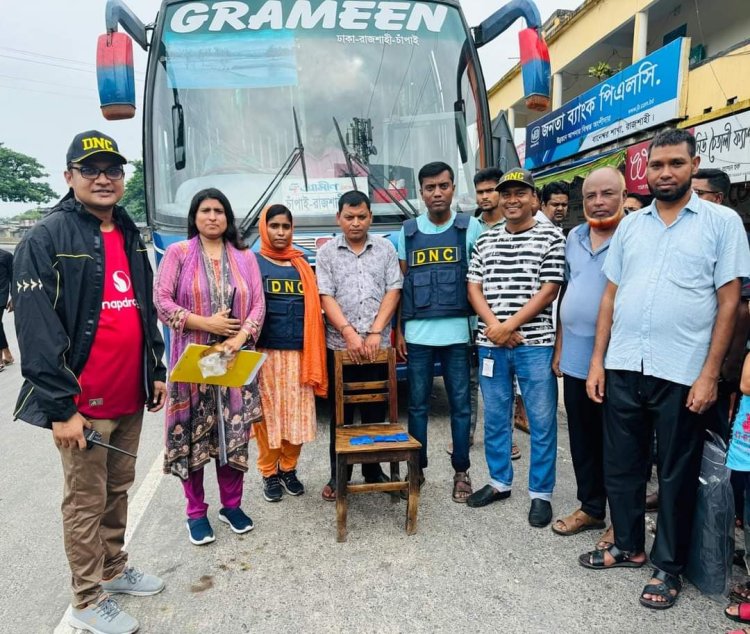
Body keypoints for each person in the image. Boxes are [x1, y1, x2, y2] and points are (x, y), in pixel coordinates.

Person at [579, 128, 750, 610]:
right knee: (622, 465)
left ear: (694, 166)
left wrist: (710, 375)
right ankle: (627, 544)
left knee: (676, 473)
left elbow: (730, 301)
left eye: (675, 163)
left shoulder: (721, 222)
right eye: (656, 166)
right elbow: (611, 294)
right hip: (624, 364)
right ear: (646, 171)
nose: (665, 173)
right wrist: (598, 362)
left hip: (683, 371)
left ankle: (668, 565)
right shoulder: (632, 225)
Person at [12, 130, 167, 634]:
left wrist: (156, 370)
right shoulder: (47, 237)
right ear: (69, 177)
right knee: (84, 502)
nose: (103, 178)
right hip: (84, 403)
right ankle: (86, 597)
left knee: (118, 489)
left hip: (129, 395)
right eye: (91, 169)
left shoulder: (126, 228)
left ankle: (114, 568)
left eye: (113, 170)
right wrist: (60, 408)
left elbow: (141, 306)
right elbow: (36, 330)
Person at [155, 188, 265, 545]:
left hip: (233, 363)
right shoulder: (179, 253)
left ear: (227, 217)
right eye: (206, 210)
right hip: (194, 364)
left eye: (219, 210)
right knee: (192, 436)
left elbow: (258, 305)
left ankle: (231, 506)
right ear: (195, 216)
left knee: (231, 435)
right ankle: (196, 512)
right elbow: (162, 301)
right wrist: (207, 325)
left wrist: (237, 338)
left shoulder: (245, 257)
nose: (213, 216)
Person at [465, 168, 564, 527]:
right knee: (495, 416)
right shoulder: (486, 240)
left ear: (534, 199)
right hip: (492, 343)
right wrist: (495, 327)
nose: (511, 200)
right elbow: (473, 286)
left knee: (540, 420)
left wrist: (509, 325)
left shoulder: (551, 237)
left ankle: (541, 493)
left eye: (520, 193)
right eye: (505, 194)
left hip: (534, 344)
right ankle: (499, 482)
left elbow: (549, 289)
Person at [396, 161, 482, 502]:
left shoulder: (470, 228)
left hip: (459, 337)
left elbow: (480, 282)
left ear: (452, 189)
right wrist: (400, 330)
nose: (437, 193)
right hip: (418, 337)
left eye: (443, 186)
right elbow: (401, 284)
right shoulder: (407, 232)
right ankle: (416, 470)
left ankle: (461, 471)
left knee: (461, 407)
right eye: (430, 187)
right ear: (421, 192)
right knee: (416, 406)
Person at [550, 167, 626, 538]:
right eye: (591, 196)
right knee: (582, 438)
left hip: (619, 360)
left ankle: (621, 520)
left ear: (623, 196)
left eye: (607, 194)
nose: (598, 202)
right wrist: (559, 346)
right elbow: (567, 292)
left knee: (620, 443)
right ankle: (592, 508)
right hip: (577, 358)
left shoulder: (633, 235)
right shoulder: (574, 237)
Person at [316, 190, 402, 500]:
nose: (355, 223)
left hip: (376, 345)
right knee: (340, 415)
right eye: (349, 217)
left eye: (362, 217)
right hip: (340, 346)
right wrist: (350, 334)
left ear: (371, 217)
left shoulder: (385, 249)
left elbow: (394, 289)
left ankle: (372, 469)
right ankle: (339, 474)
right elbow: (325, 296)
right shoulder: (326, 253)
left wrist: (376, 332)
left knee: (374, 411)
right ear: (338, 218)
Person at [253, 204, 327, 502]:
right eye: (275, 226)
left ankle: (289, 468)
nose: (281, 232)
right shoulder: (252, 262)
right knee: (268, 418)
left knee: (296, 417)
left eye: (286, 226)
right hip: (265, 357)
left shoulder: (301, 264)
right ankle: (269, 472)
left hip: (299, 356)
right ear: (264, 228)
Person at [468, 168, 521, 461]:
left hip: (513, 324)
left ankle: (508, 439)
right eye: (481, 191)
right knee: (475, 381)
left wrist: (507, 325)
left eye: (491, 190)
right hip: (479, 322)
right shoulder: (470, 227)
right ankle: (469, 435)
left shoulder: (518, 223)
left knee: (507, 386)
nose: (486, 196)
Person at [0, 247, 14, 369]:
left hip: (1, 296)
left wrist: (14, 297)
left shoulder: (6, 256)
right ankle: (7, 354)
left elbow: (14, 277)